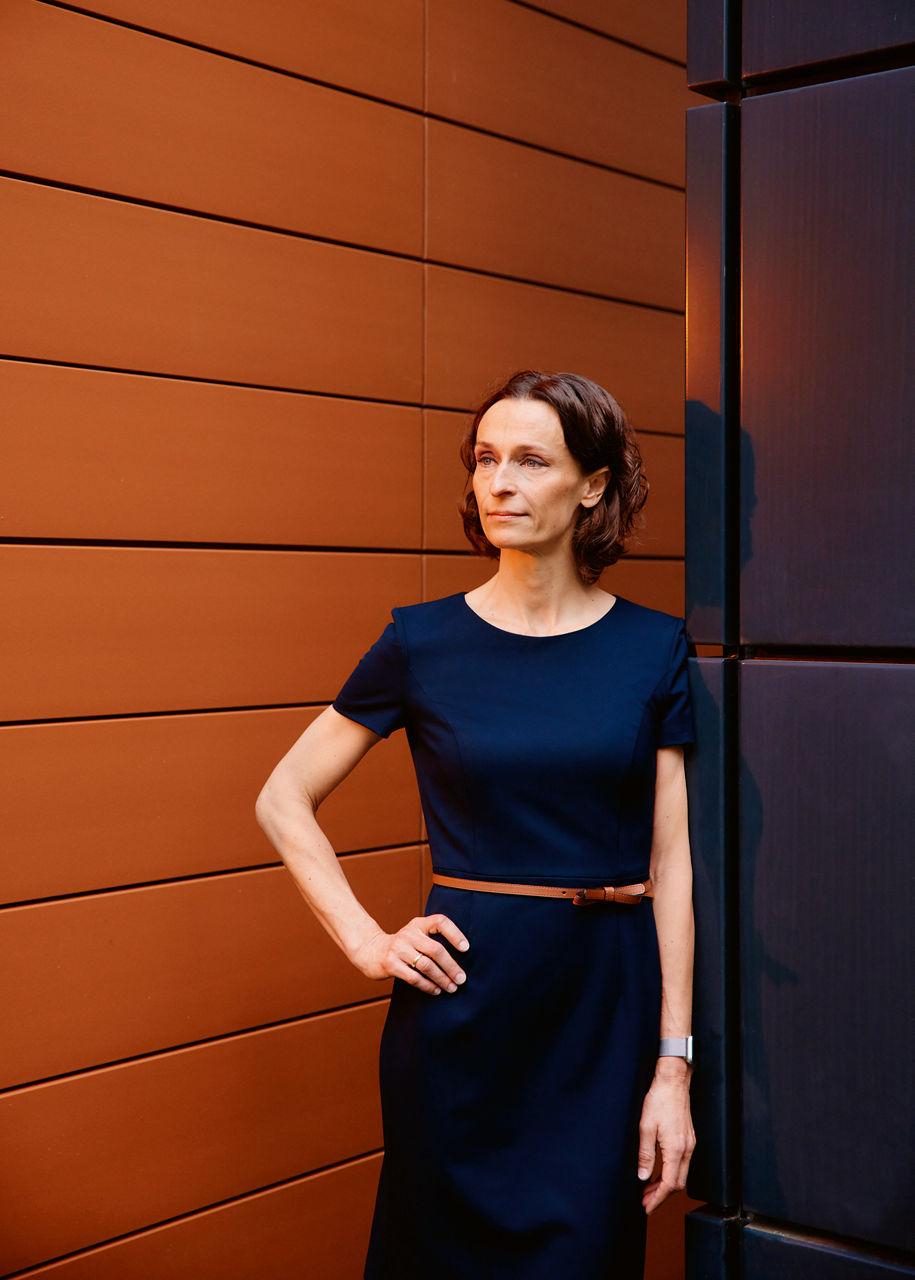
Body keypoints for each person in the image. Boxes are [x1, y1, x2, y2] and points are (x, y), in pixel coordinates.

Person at [256, 370, 696, 1279]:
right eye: (485, 459)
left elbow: (673, 864)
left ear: (594, 486)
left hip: (600, 1015)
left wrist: (672, 1069)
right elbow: (282, 795)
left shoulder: (653, 648)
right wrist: (366, 942)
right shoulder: (421, 642)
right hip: (460, 1014)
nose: (497, 482)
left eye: (531, 460)